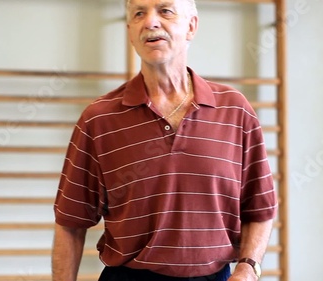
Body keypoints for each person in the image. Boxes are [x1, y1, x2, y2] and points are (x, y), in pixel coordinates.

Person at [52, 0, 278, 280]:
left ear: (191, 25)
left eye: (165, 10)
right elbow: (70, 223)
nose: (150, 22)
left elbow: (260, 207)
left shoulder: (235, 111)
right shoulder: (98, 119)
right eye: (138, 14)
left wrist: (248, 268)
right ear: (131, 31)